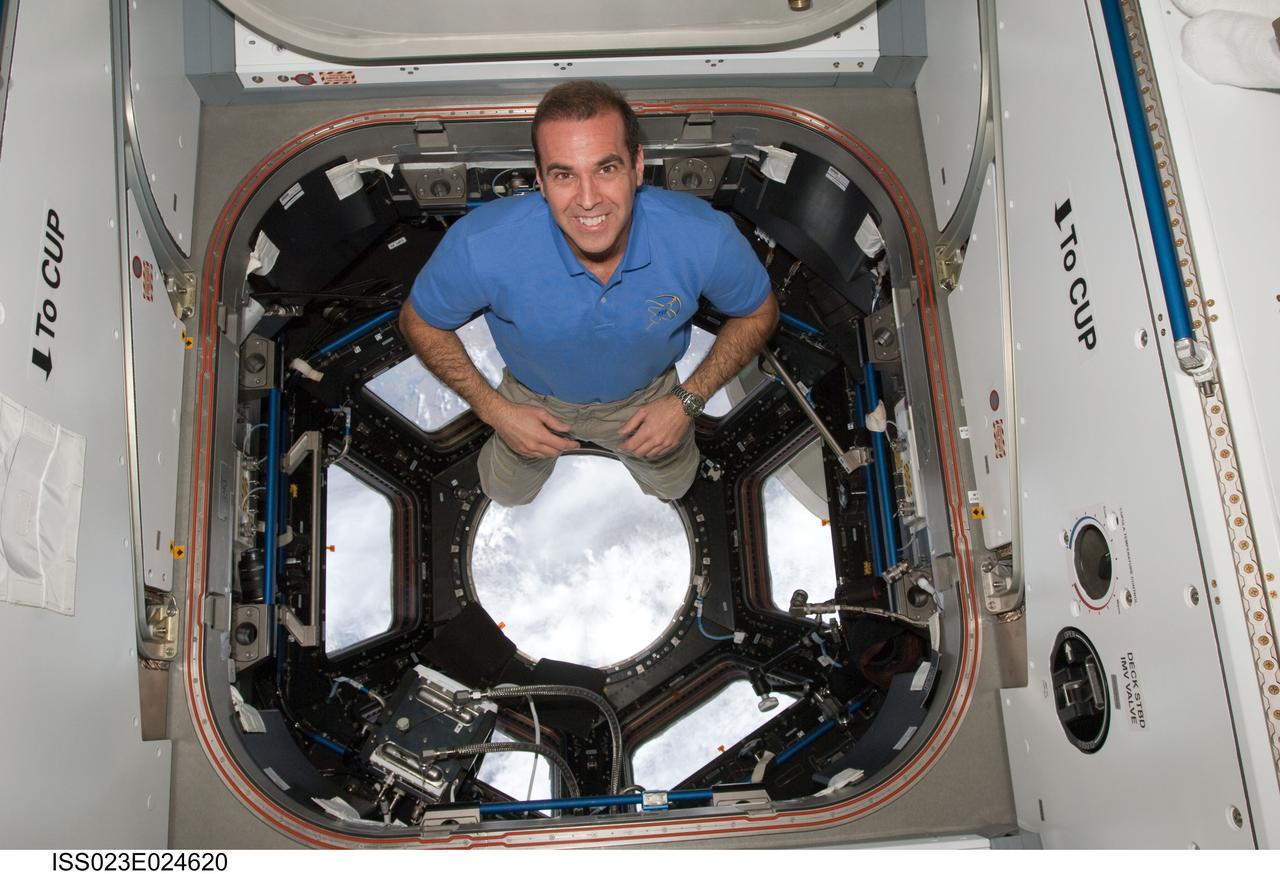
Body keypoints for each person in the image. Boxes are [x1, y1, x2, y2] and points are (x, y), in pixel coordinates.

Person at [399, 81, 777, 506]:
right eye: (564, 174)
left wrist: (687, 401)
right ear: (540, 181)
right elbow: (420, 320)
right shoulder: (481, 245)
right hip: (531, 397)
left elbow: (757, 312)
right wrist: (496, 411)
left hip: (648, 397)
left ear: (637, 166)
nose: (588, 200)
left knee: (672, 486)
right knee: (504, 492)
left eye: (606, 168)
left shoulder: (704, 238)